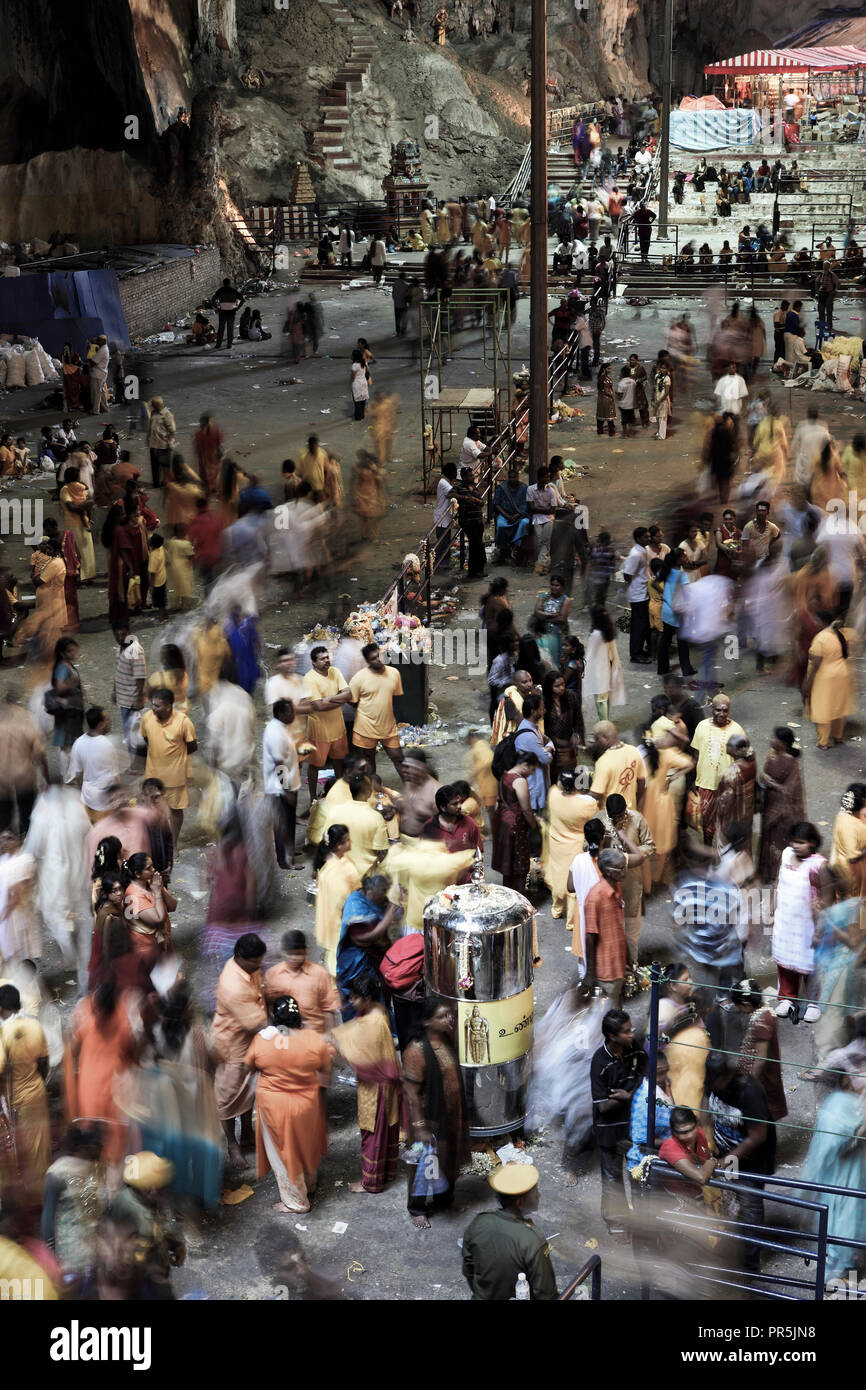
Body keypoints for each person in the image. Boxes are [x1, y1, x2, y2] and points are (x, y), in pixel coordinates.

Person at [245, 994, 331, 1214]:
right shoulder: (313, 1039)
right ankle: (310, 1185)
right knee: (306, 1145)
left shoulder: (262, 1041)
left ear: (274, 1017)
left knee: (284, 1154)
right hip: (307, 1104)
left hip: (276, 1107)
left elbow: (249, 1066)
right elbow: (324, 1068)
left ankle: (296, 1202)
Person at [402, 997, 469, 1229]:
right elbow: (411, 1093)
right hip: (428, 1118)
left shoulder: (446, 1040)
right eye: (441, 1016)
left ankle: (445, 1199)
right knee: (425, 1164)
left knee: (448, 1158)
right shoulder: (416, 1051)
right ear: (426, 1022)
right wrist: (420, 1126)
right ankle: (418, 1208)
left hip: (451, 1113)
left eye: (447, 1015)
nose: (447, 1020)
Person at [332, 974, 402, 1194]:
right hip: (386, 1084)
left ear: (367, 997)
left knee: (373, 1134)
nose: (352, 1002)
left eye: (355, 997)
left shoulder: (374, 1022)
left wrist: (339, 1045)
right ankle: (387, 1172)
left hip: (376, 1088)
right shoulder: (378, 1010)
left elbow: (361, 1055)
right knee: (386, 1131)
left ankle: (371, 1182)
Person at [705, 1055, 775, 1274]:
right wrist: (707, 1139)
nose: (713, 1086)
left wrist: (728, 1160)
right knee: (729, 1202)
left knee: (749, 1206)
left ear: (728, 1077)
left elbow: (757, 1137)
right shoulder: (713, 1084)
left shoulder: (748, 1091)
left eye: (716, 1082)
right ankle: (732, 1247)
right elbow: (704, 1104)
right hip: (725, 1154)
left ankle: (750, 1266)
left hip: (749, 1160)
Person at [65, 979, 139, 1171]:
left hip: (94, 1087)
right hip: (113, 1088)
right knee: (112, 1138)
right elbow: (132, 1051)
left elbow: (73, 1048)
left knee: (93, 1134)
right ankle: (110, 1175)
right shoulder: (125, 1016)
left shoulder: (85, 1013)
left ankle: (96, 1175)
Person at [212, 932, 267, 1173]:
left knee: (248, 1088)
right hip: (231, 1045)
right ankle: (232, 1144)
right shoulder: (233, 985)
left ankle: (247, 1132)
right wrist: (288, 1030)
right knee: (227, 1098)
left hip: (248, 1042)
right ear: (241, 958)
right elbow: (257, 1022)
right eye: (255, 962)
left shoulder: (246, 968)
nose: (259, 967)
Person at [462, 1163, 557, 1300]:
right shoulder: (533, 1240)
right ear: (520, 1202)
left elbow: (468, 1271)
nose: (539, 1194)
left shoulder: (478, 1223)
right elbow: (546, 1293)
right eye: (535, 1190)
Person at [590, 1008, 645, 1237]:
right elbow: (603, 1105)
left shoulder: (634, 1049)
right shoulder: (600, 1062)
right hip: (609, 1131)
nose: (631, 1034)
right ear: (612, 1036)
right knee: (613, 1178)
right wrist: (629, 1095)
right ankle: (617, 1223)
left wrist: (628, 1095)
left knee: (638, 1173)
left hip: (633, 1125)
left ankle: (642, 1220)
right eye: (626, 1031)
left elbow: (644, 1073)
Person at [773, 823, 831, 1020]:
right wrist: (771, 908)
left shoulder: (819, 865)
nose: (796, 846)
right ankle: (787, 998)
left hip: (809, 924)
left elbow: (829, 896)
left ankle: (814, 1002)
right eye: (794, 841)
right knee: (786, 960)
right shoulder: (786, 854)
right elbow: (777, 881)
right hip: (786, 920)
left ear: (812, 843)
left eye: (801, 842)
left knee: (809, 963)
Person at [0, 983, 50, 1201]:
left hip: (17, 1101)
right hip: (37, 1093)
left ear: (1, 1009)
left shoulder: (3, 1034)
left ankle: (31, 1199)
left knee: (23, 1152)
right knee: (40, 1146)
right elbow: (44, 1062)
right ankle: (44, 1192)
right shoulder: (35, 1026)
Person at [139, 689, 197, 844]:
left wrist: (175, 758)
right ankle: (155, 840)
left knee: (175, 811)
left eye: (157, 706)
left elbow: (192, 746)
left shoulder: (184, 722)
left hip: (175, 778)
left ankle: (173, 843)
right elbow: (146, 739)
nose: (153, 708)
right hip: (153, 775)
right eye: (153, 704)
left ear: (169, 707)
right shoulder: (147, 718)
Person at [690, 695, 746, 846]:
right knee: (707, 822)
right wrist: (692, 780)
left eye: (725, 710)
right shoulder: (702, 726)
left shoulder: (737, 730)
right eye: (718, 710)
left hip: (727, 787)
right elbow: (695, 755)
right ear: (711, 709)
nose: (721, 714)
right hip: (705, 783)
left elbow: (743, 760)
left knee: (726, 823)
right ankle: (708, 850)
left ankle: (725, 852)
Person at [730, 978, 787, 1123]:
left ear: (746, 1004)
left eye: (740, 1007)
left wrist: (751, 1083)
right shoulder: (764, 1012)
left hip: (763, 1076)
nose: (740, 1011)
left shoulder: (763, 1022)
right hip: (760, 1074)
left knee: (763, 1106)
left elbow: (761, 1059)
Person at [264, 929, 340, 1033]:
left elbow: (328, 1008)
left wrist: (329, 1035)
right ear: (283, 952)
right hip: (286, 1035)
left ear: (306, 951)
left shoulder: (319, 974)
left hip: (315, 1035)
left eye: (298, 954)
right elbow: (269, 1005)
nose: (294, 958)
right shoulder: (272, 975)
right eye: (290, 954)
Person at [346, 642, 405, 777]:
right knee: (369, 761)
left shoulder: (394, 673)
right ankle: (374, 793)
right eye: (373, 658)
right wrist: (366, 711)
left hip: (388, 727)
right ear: (367, 661)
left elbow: (393, 697)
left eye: (379, 656)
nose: (378, 660)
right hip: (365, 728)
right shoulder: (359, 678)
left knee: (399, 759)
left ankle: (411, 791)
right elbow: (352, 701)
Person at [757, 727, 805, 883]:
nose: (771, 739)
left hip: (782, 811)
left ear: (783, 743)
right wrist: (764, 778)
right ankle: (769, 873)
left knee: (778, 840)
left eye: (774, 738)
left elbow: (790, 791)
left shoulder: (791, 763)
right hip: (770, 803)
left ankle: (779, 874)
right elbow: (764, 775)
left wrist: (771, 783)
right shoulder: (772, 755)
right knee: (769, 839)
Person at [804, 613, 856, 749]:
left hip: (825, 678)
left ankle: (823, 742)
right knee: (838, 707)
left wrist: (807, 683)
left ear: (821, 622)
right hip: (843, 675)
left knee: (823, 709)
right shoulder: (843, 633)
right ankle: (838, 737)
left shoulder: (821, 638)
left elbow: (816, 664)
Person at [491, 752, 539, 894]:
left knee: (508, 862)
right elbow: (526, 810)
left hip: (502, 821)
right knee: (518, 864)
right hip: (514, 824)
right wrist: (534, 825)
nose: (531, 773)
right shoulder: (519, 781)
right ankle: (519, 896)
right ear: (525, 765)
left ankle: (508, 893)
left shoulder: (505, 775)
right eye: (532, 769)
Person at [262, 698, 300, 871]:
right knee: (284, 825)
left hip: (285, 787)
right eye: (289, 711)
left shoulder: (279, 728)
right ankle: (286, 860)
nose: (293, 714)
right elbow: (279, 763)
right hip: (280, 790)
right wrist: (287, 790)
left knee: (288, 822)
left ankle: (289, 852)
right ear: (280, 714)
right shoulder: (275, 733)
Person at [65, 707, 120, 823]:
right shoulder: (107, 745)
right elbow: (114, 776)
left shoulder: (78, 742)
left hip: (87, 797)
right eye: (108, 720)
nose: (110, 722)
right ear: (100, 725)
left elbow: (76, 774)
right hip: (104, 801)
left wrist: (82, 789)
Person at [589, 721, 645, 812]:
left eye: (596, 738)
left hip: (611, 814)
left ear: (605, 738)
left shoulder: (603, 762)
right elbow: (642, 782)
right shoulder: (634, 750)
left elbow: (596, 794)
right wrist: (637, 805)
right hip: (631, 810)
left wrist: (578, 798)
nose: (594, 741)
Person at [583, 609, 625, 721]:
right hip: (609, 667)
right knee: (605, 697)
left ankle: (604, 725)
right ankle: (606, 721)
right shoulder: (608, 631)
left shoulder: (596, 634)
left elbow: (590, 655)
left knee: (600, 699)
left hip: (598, 671)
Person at [146, 398, 175, 490]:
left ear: (159, 405)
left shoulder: (167, 415)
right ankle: (156, 483)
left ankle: (166, 483)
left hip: (163, 445)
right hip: (153, 444)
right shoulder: (153, 413)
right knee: (155, 466)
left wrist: (169, 442)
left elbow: (172, 430)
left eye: (154, 405)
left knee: (165, 466)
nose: (153, 407)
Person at [213, 277, 242, 349]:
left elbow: (213, 299)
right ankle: (229, 344)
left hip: (222, 312)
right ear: (229, 283)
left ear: (223, 283)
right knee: (230, 329)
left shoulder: (220, 290)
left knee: (221, 329)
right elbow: (242, 299)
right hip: (231, 312)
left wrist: (217, 307)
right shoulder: (233, 290)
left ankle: (218, 344)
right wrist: (237, 307)